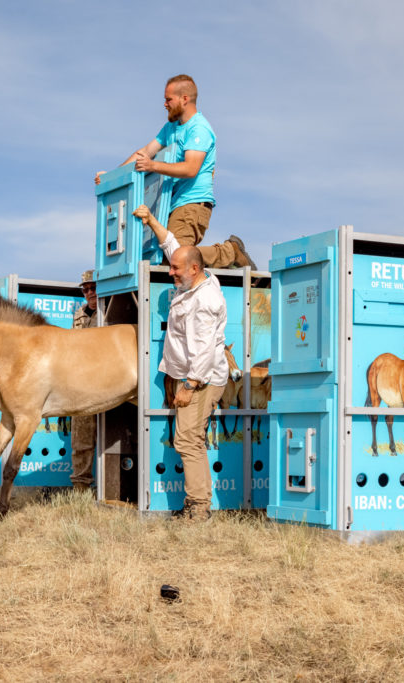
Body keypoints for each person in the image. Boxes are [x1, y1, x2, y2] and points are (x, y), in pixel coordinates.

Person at [96, 74, 256, 270]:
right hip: (172, 204)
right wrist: (111, 177)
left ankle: (230, 252)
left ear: (184, 99)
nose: (164, 104)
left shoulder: (199, 129)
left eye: (168, 99)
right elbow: (145, 153)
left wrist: (152, 166)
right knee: (163, 256)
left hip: (193, 203)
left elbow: (190, 168)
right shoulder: (171, 128)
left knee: (176, 255)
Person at [134, 204, 227, 521]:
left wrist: (189, 386)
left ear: (194, 270)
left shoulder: (205, 301)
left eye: (175, 269)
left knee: (188, 439)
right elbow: (171, 243)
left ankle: (199, 509)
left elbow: (202, 353)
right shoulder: (195, 276)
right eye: (171, 267)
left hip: (200, 379)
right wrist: (151, 220)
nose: (170, 272)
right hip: (188, 375)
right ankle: (196, 504)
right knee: (187, 438)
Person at [69, 270, 100, 492]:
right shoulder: (78, 315)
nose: (89, 292)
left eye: (93, 287)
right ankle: (80, 490)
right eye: (85, 289)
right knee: (81, 440)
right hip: (82, 385)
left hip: (107, 382)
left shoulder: (110, 311)